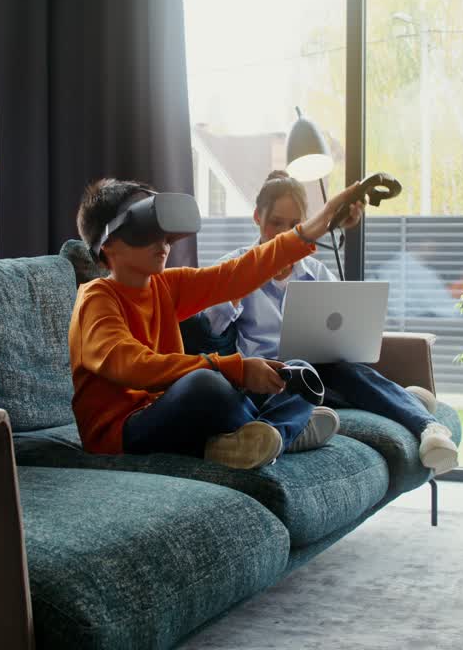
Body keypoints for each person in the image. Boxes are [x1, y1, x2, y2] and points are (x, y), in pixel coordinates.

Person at [70, 178, 364, 470]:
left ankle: (268, 436)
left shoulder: (166, 285)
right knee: (205, 383)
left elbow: (238, 274)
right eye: (147, 232)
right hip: (124, 432)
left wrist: (319, 224)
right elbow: (132, 366)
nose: (162, 242)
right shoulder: (95, 299)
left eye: (164, 233)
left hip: (178, 416)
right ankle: (283, 431)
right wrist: (236, 369)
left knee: (297, 370)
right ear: (108, 245)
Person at [202, 171, 459, 474]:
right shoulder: (233, 268)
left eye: (294, 224)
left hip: (316, 375)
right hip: (264, 380)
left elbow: (344, 331)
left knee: (340, 370)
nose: (284, 233)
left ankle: (429, 427)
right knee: (316, 379)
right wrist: (244, 281)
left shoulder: (316, 271)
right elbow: (212, 331)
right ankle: (401, 401)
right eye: (276, 223)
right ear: (257, 217)